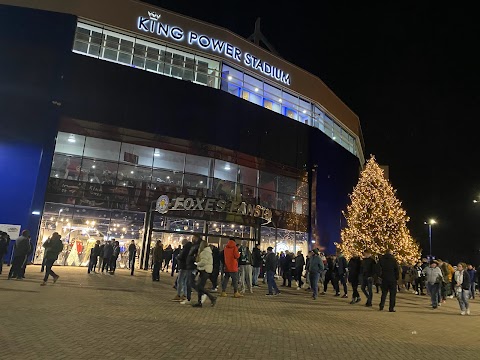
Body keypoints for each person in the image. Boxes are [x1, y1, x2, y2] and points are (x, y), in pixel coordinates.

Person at [192, 240, 217, 307]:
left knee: (199, 286)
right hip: (206, 271)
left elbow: (203, 262)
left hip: (204, 270)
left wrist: (196, 264)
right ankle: (199, 302)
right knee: (200, 287)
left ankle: (212, 297)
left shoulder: (204, 252)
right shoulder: (208, 252)